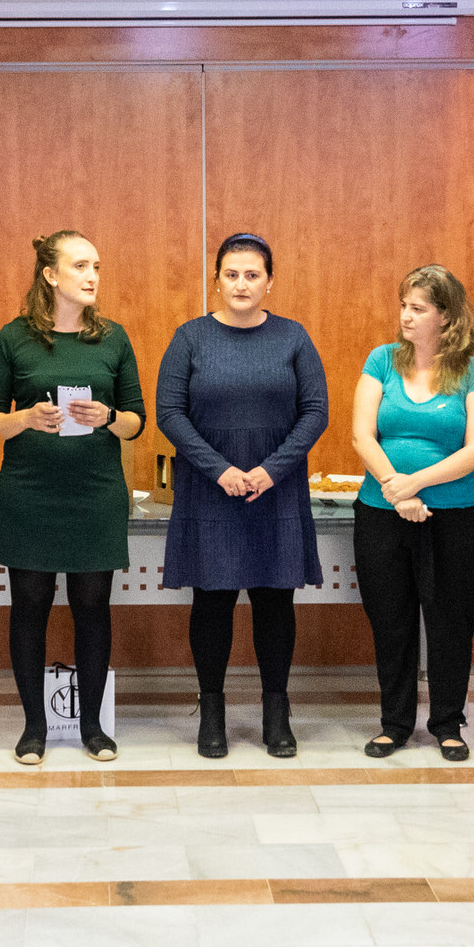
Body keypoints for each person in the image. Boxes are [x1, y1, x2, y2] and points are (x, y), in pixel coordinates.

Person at [158, 233, 329, 760]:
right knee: (212, 602)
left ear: (269, 282)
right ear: (216, 280)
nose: (241, 284)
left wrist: (271, 471)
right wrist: (221, 470)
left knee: (275, 602)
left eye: (252, 275)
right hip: (210, 492)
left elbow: (316, 411)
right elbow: (169, 413)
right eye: (231, 274)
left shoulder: (293, 337)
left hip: (275, 492)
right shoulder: (190, 338)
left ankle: (277, 714)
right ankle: (212, 712)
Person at [0, 230, 148, 766]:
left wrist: (109, 417)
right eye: (80, 266)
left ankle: (92, 728)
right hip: (30, 493)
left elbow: (137, 421)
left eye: (96, 266)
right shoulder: (14, 337)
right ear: (50, 275)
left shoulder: (114, 338)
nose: (92, 276)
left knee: (92, 608)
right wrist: (26, 418)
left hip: (95, 495)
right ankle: (34, 728)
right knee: (29, 606)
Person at [351, 264, 474, 761]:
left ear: (446, 316)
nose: (406, 316)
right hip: (381, 512)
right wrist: (397, 491)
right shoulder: (382, 360)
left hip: (453, 516)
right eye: (404, 306)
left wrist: (415, 484)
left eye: (418, 308)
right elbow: (362, 435)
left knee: (450, 620)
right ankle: (394, 724)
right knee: (390, 620)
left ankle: (448, 723)